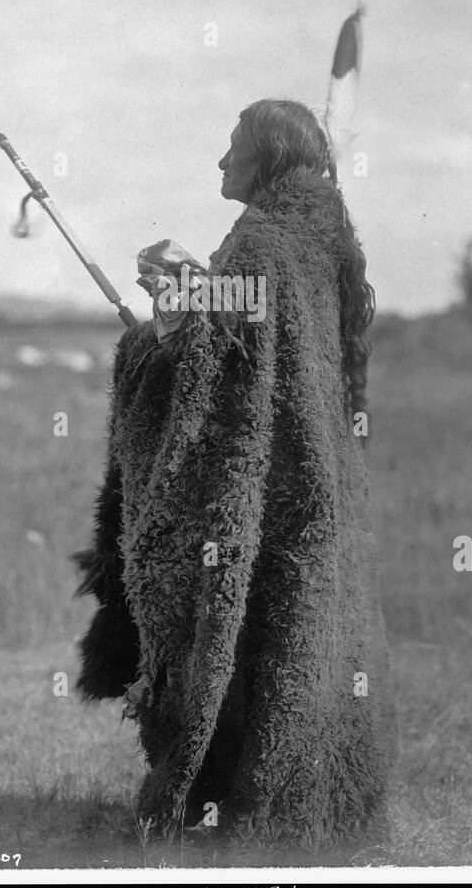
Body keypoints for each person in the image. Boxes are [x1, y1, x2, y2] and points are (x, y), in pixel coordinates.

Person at [74, 98, 396, 850]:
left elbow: (207, 378)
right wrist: (190, 297)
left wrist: (156, 336)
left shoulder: (259, 246)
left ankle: (222, 807)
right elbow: (254, 352)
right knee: (289, 639)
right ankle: (296, 810)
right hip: (312, 489)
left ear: (269, 158)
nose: (221, 163)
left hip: (260, 500)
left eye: (233, 150)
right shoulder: (317, 247)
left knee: (239, 634)